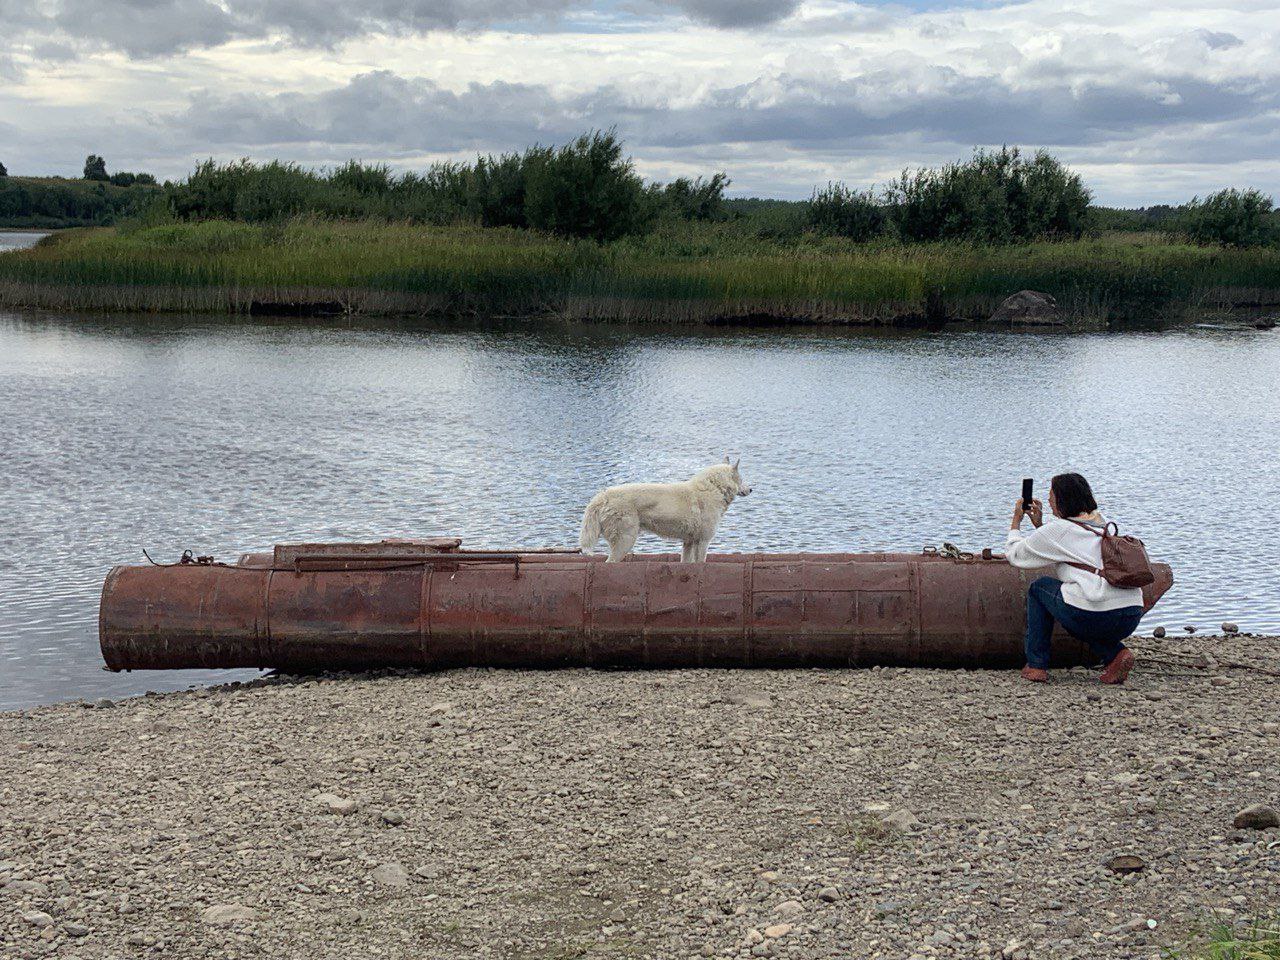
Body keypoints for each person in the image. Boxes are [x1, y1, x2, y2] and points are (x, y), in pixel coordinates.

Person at [1006, 472, 1145, 684]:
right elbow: (1068, 544)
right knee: (1081, 606)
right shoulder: (1102, 523)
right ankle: (1116, 655)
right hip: (1132, 613)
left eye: (1051, 495)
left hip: (1096, 614)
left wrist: (1016, 520)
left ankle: (1036, 665)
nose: (1049, 501)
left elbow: (1016, 555)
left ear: (1062, 499)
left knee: (1041, 589)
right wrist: (1040, 526)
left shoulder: (1058, 530)